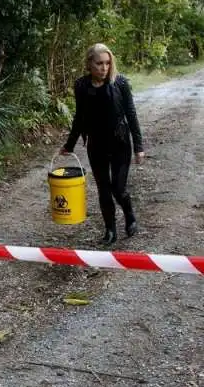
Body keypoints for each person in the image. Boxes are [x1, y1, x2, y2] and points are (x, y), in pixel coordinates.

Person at [60, 43, 145, 245]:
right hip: (96, 144)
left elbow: (132, 115)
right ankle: (110, 230)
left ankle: (129, 214)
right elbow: (79, 117)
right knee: (103, 189)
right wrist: (69, 145)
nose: (104, 68)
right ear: (89, 64)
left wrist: (139, 147)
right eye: (99, 63)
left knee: (118, 187)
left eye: (107, 63)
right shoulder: (81, 86)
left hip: (120, 142)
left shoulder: (120, 83)